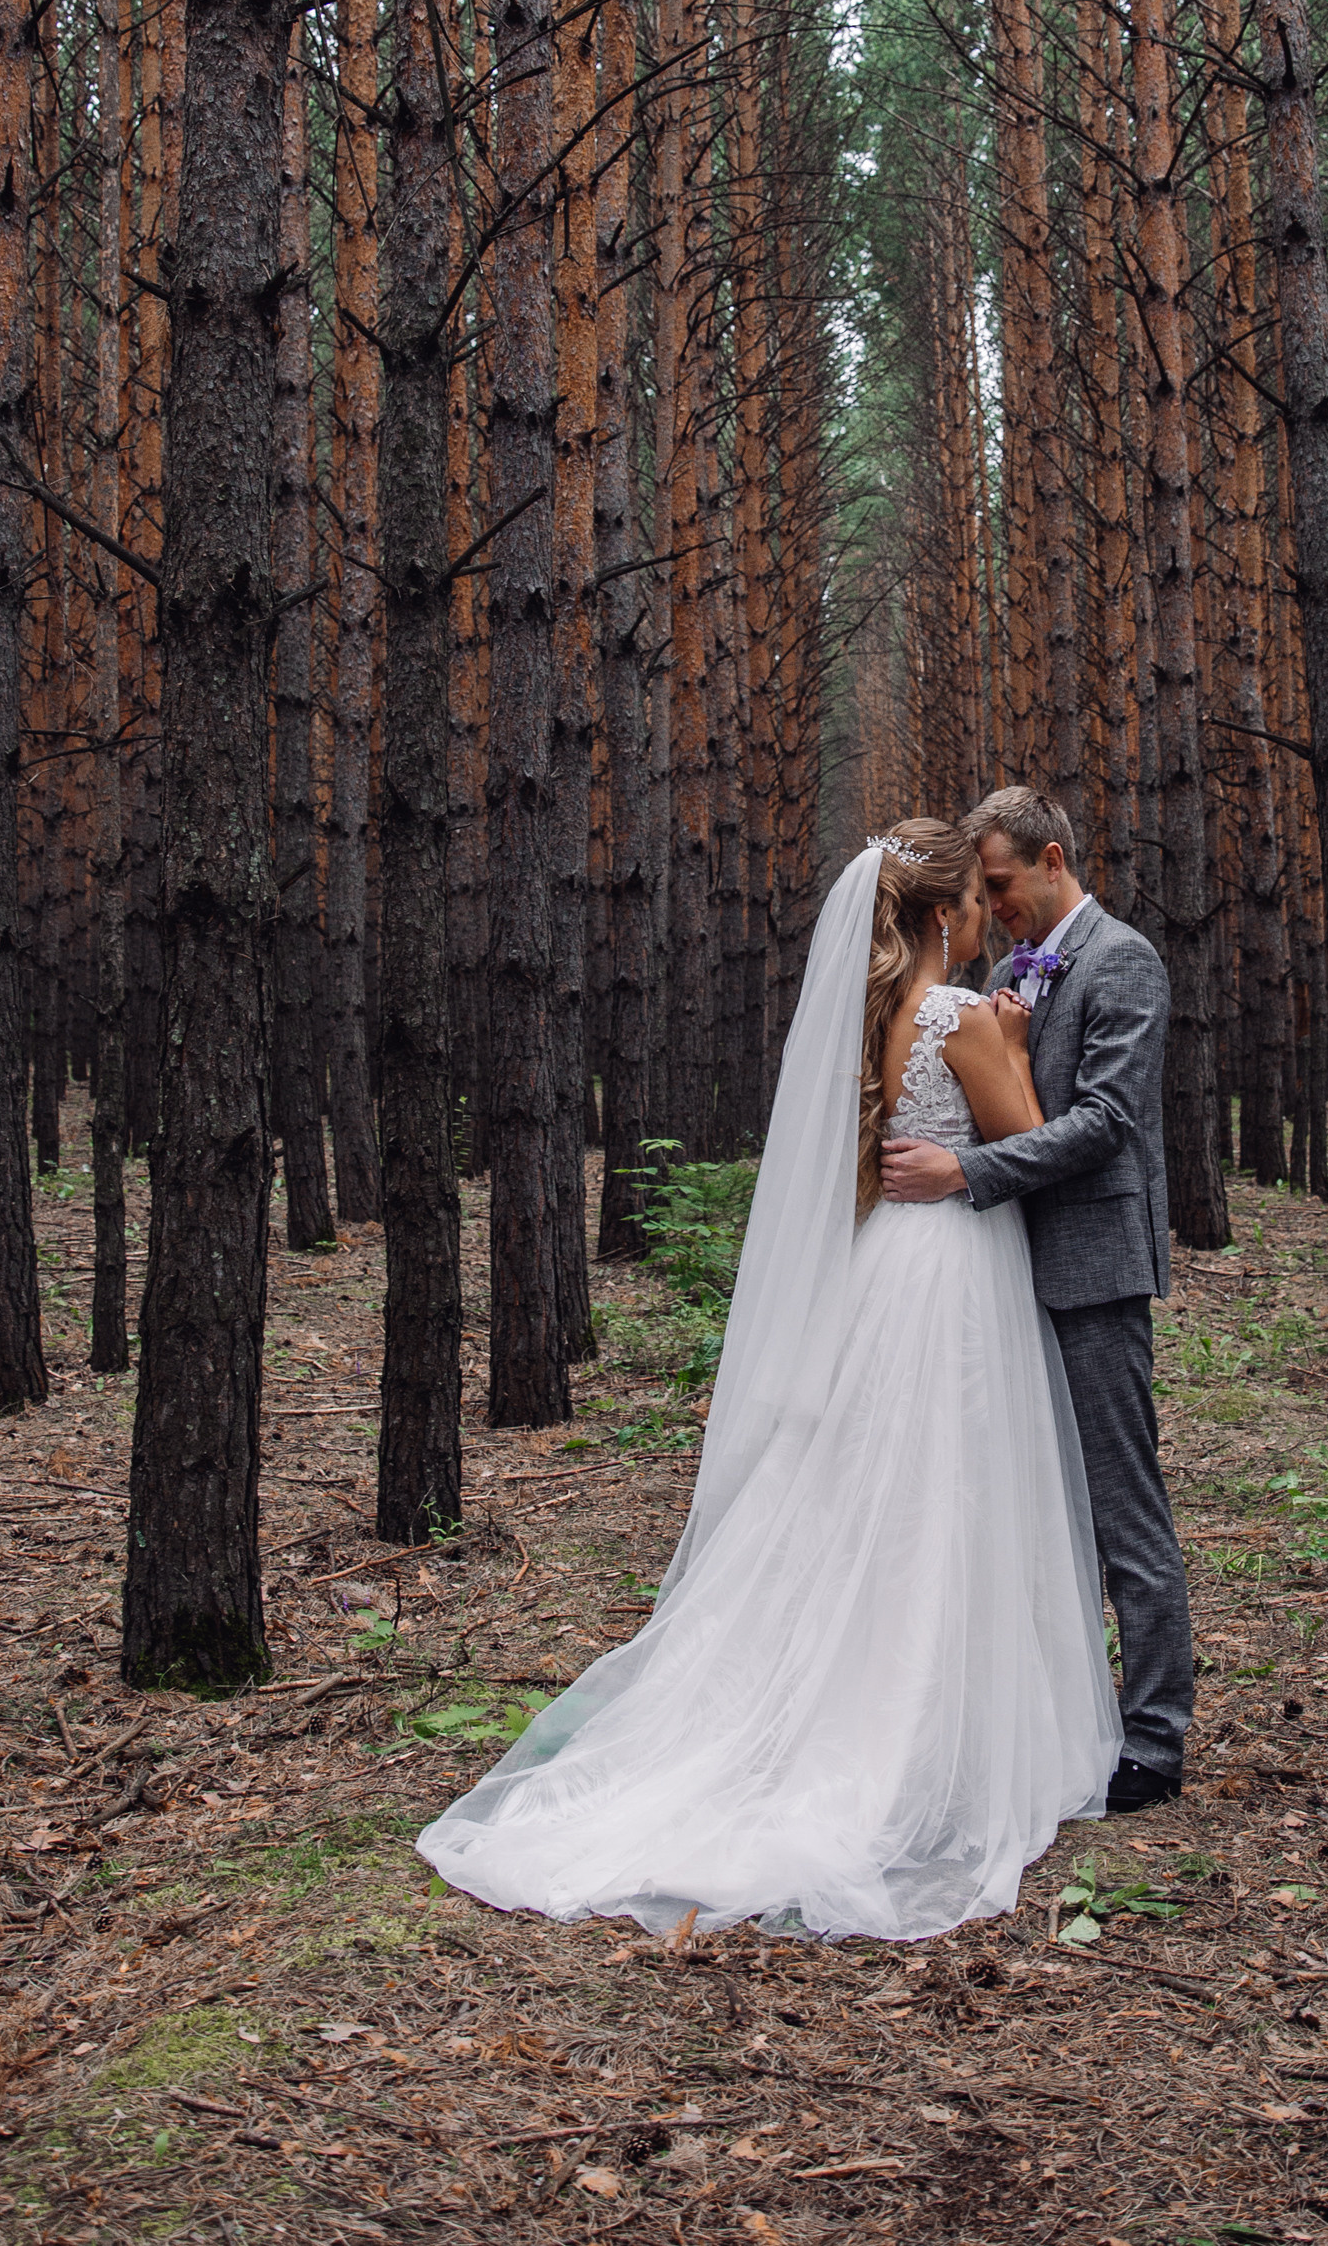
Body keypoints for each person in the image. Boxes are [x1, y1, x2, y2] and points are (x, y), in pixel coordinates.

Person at [415, 821, 1119, 1940]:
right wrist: (1019, 1045)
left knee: (867, 1492)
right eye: (972, 903)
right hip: (951, 1272)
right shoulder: (964, 1016)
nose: (986, 917)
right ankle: (923, 1724)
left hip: (886, 1261)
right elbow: (1026, 1141)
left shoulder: (876, 1014)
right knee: (943, 1486)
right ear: (944, 915)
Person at [879, 785, 1192, 1809]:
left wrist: (967, 1175)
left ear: (1051, 858)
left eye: (1002, 883)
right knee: (1018, 1502)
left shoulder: (1124, 960)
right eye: (980, 889)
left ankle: (1152, 1736)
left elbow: (1106, 1120)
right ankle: (1047, 1717)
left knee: (1119, 1506)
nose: (992, 904)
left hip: (1091, 1266)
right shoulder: (1008, 974)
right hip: (999, 1281)